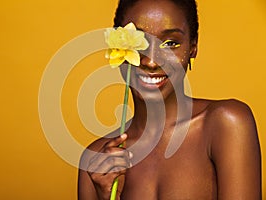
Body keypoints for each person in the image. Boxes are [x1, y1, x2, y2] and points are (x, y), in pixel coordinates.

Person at [78, 0, 261, 199]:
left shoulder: (226, 124)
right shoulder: (96, 160)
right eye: (139, 42)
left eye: (171, 43)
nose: (151, 61)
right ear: (116, 46)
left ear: (193, 47)